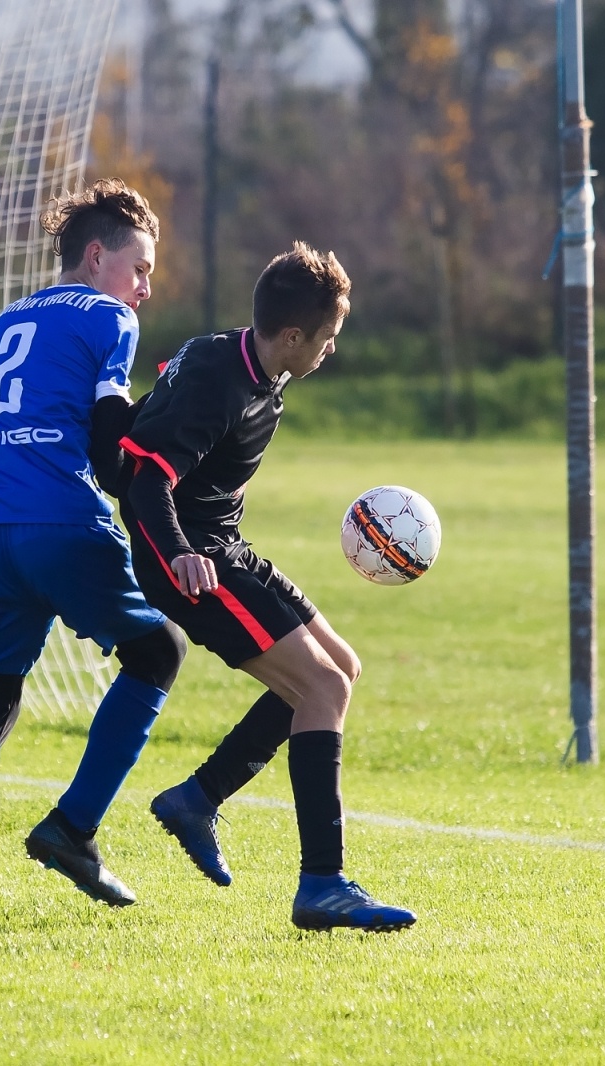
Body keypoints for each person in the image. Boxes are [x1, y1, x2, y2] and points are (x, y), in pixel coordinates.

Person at [120, 242, 415, 931]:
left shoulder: (256, 367)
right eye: (327, 339)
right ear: (292, 336)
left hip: (224, 547)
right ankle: (322, 884)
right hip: (188, 559)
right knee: (321, 690)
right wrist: (182, 552)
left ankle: (199, 797)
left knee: (341, 667)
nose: (330, 351)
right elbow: (145, 480)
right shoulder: (219, 379)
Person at [0, 179, 186, 919]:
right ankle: (72, 829)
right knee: (158, 652)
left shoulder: (8, 320)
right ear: (97, 256)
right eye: (139, 269)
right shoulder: (109, 318)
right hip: (58, 519)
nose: (144, 288)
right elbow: (107, 436)